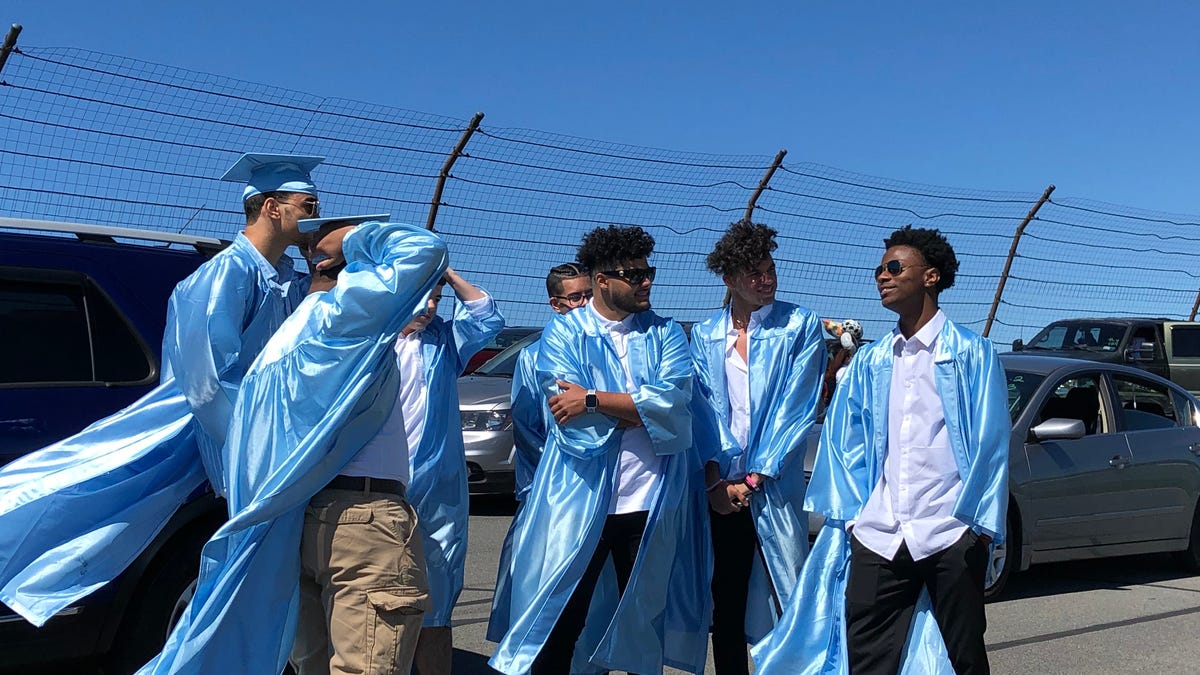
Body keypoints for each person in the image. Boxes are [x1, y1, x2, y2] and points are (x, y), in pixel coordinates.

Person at [0, 153, 321, 626]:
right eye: (308, 204)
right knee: (72, 495)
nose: (318, 215)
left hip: (246, 438)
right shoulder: (223, 276)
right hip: (213, 433)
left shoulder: (281, 281)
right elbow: (209, 380)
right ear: (273, 207)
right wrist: (252, 457)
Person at [142, 215, 449, 675]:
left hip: (299, 523)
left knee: (313, 665)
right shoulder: (344, 324)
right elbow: (424, 251)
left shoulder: (274, 349)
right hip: (364, 521)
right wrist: (350, 237)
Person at [751, 226, 1009, 675]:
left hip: (949, 530)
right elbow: (844, 442)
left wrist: (978, 531)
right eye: (879, 269)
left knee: (963, 656)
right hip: (880, 533)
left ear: (930, 277)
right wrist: (853, 519)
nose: (882, 277)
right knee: (867, 659)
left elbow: (990, 441)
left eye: (894, 267)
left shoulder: (970, 352)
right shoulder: (872, 361)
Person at [489, 225, 711, 675]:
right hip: (578, 498)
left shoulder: (666, 334)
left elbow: (674, 406)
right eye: (635, 274)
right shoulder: (563, 333)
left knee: (643, 624)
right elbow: (571, 424)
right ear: (602, 279)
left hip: (649, 502)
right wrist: (640, 408)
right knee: (562, 622)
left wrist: (594, 398)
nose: (647, 281)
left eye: (649, 271)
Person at [689, 220, 827, 674]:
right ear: (729, 280)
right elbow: (704, 412)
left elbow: (798, 406)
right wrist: (716, 482)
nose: (766, 279)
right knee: (724, 601)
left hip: (773, 486)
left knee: (789, 594)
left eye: (770, 268)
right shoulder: (706, 335)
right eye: (753, 272)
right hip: (722, 490)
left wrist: (755, 476)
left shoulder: (799, 325)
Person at [486, 262, 616, 675]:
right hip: (557, 494)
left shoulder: (607, 345)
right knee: (549, 599)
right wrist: (540, 488)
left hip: (609, 493)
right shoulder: (533, 357)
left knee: (600, 604)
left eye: (587, 296)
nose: (583, 304)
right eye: (574, 297)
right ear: (556, 304)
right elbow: (527, 429)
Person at [400, 268, 505, 675]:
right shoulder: (368, 341)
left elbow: (486, 316)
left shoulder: (442, 341)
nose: (429, 307)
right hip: (380, 486)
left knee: (436, 603)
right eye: (420, 296)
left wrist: (444, 270)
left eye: (436, 299)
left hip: (436, 489)